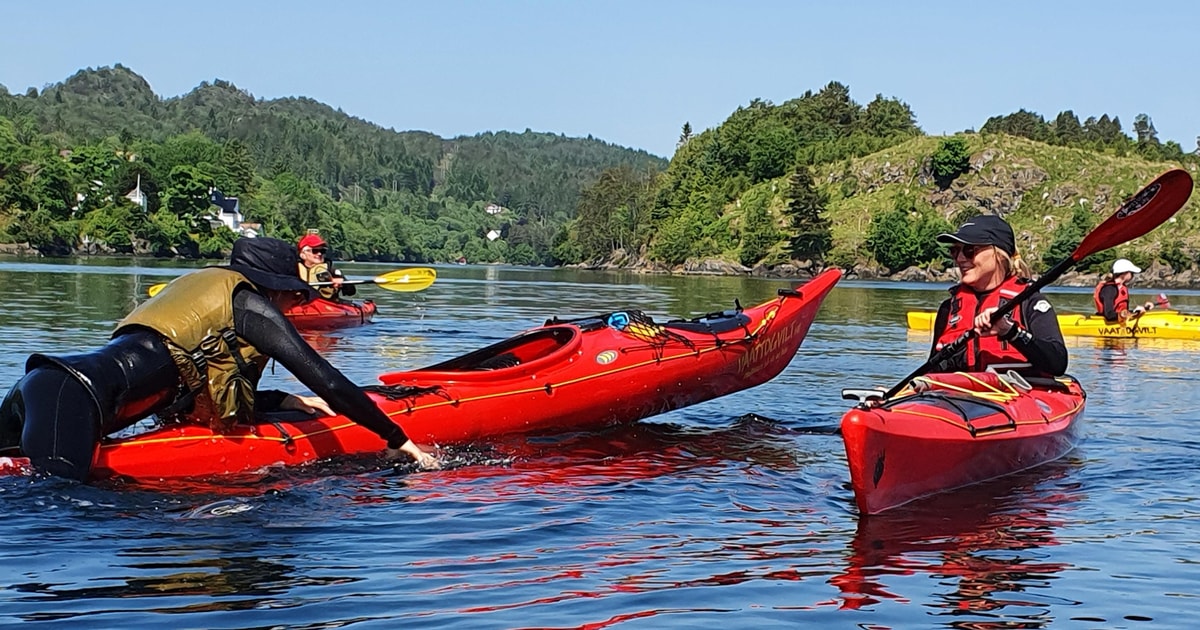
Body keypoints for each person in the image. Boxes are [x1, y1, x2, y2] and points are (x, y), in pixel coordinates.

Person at [0, 237, 436, 481]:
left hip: (42, 385)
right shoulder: (251, 307)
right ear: (277, 287)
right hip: (74, 402)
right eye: (291, 294)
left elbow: (188, 384)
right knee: (51, 501)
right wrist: (399, 440)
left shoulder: (198, 285)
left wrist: (279, 399)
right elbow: (329, 382)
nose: (292, 304)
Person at [929, 215, 1068, 377]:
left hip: (1017, 395)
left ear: (999, 254)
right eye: (954, 250)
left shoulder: (1030, 302)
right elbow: (933, 370)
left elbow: (1058, 363)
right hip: (958, 396)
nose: (959, 259)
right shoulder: (949, 308)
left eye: (969, 250)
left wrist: (1010, 331)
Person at [1094, 258, 1155, 323]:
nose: (1133, 275)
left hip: (1119, 321)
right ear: (1125, 273)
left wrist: (1143, 308)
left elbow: (1122, 312)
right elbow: (1109, 315)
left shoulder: (1121, 288)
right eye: (1132, 273)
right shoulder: (1109, 289)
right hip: (1107, 324)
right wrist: (1134, 312)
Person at [297, 233, 355, 300]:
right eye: (315, 251)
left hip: (324, 305)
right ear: (302, 254)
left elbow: (351, 292)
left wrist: (342, 282)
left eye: (322, 251)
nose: (319, 254)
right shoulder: (293, 269)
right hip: (299, 304)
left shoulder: (331, 270)